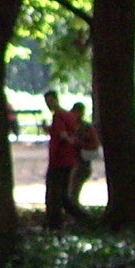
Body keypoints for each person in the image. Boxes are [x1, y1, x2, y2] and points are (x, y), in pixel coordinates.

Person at [43, 90, 87, 229]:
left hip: (58, 160)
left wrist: (67, 139)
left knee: (54, 194)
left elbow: (63, 135)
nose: (48, 105)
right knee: (62, 194)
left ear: (55, 100)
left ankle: (55, 223)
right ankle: (82, 218)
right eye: (47, 102)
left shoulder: (59, 116)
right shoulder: (69, 116)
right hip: (68, 160)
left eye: (50, 101)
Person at [71, 102, 101, 204]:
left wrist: (79, 144)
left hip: (82, 164)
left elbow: (94, 144)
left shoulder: (86, 127)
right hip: (74, 162)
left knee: (73, 192)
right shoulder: (73, 125)